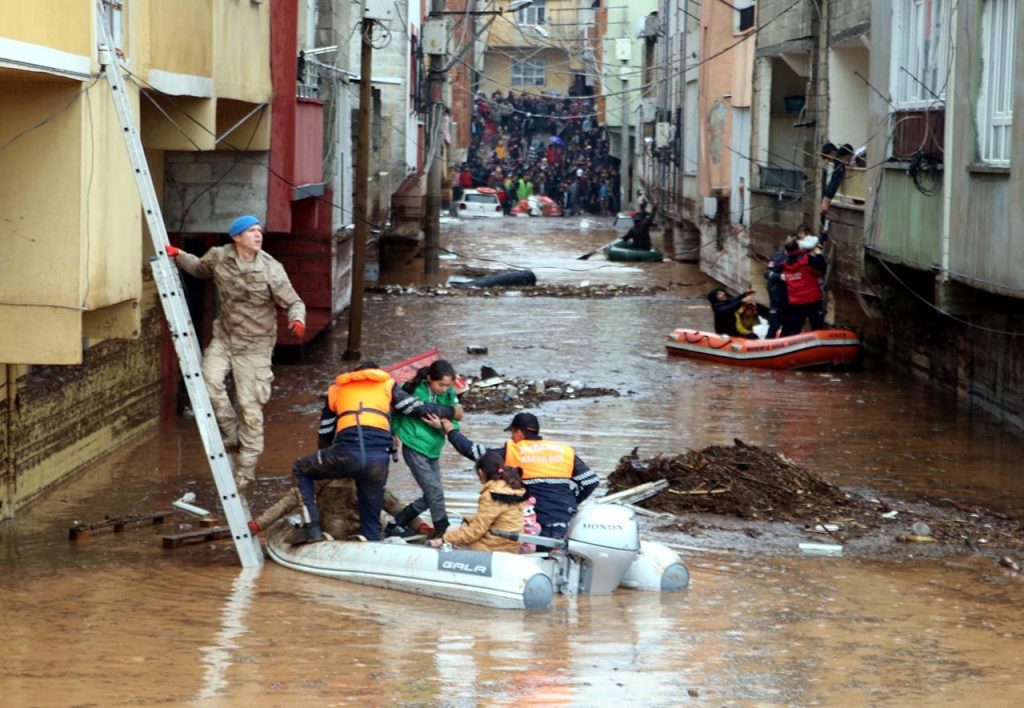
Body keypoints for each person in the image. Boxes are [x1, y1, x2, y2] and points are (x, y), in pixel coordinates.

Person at [167, 214, 305, 489]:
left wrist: (297, 319)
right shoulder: (220, 256)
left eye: (259, 231)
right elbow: (198, 269)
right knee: (208, 381)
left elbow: (293, 301)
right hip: (226, 338)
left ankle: (246, 471)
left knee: (250, 408)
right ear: (236, 237)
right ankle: (231, 433)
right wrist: (178, 254)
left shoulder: (271, 268)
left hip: (255, 346)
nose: (258, 235)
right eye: (252, 231)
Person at [289, 361, 458, 543]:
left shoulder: (337, 389)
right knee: (371, 519)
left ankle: (311, 528)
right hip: (378, 460)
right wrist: (452, 411)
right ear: (376, 373)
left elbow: (325, 431)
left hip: (346, 454)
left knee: (300, 468)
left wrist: (327, 463)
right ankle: (371, 539)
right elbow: (417, 409)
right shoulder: (386, 384)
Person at [439, 412, 600, 539]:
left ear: (520, 432)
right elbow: (591, 481)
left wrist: (450, 430)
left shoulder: (513, 451)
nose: (511, 437)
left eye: (512, 433)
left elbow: (472, 450)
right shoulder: (563, 450)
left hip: (536, 518)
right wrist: (571, 500)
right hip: (565, 514)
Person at [388, 360, 464, 539]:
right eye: (441, 384)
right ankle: (441, 528)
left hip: (434, 448)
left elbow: (457, 417)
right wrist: (394, 433)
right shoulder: (412, 389)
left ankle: (396, 522)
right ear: (429, 379)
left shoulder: (449, 393)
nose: (444, 389)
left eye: (448, 385)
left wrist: (440, 424)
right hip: (414, 446)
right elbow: (394, 412)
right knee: (434, 492)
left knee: (433, 493)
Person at [427, 451, 526, 553]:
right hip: (512, 544)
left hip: (494, 547)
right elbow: (494, 518)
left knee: (450, 531)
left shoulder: (491, 495)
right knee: (456, 531)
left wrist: (443, 540)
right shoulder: (514, 488)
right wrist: (468, 520)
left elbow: (475, 532)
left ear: (480, 472)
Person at [780, 238, 828, 336]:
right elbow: (822, 269)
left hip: (796, 301)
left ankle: (792, 348)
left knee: (795, 328)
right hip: (812, 299)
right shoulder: (807, 259)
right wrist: (818, 253)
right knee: (816, 327)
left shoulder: (784, 263)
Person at [764, 235, 795, 338]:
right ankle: (768, 345)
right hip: (777, 295)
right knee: (774, 323)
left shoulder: (798, 258)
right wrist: (780, 276)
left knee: (789, 324)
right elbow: (767, 273)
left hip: (791, 296)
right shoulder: (777, 257)